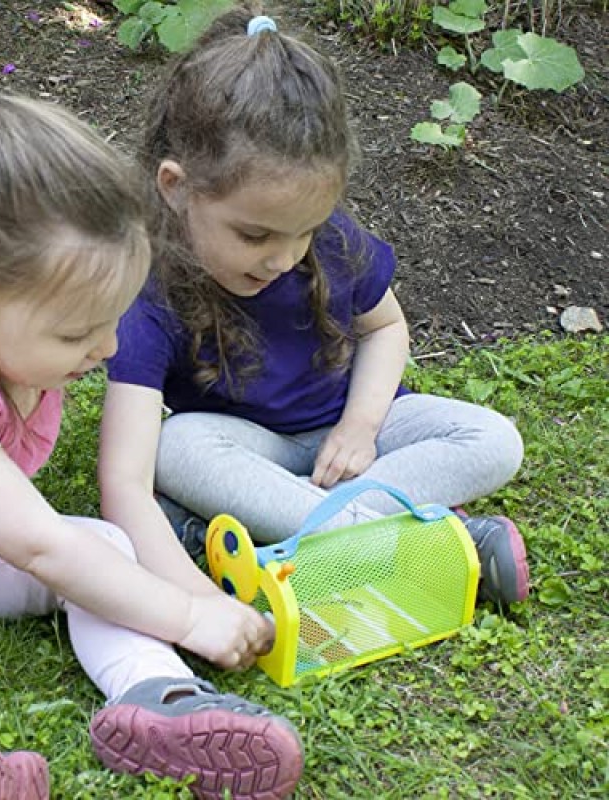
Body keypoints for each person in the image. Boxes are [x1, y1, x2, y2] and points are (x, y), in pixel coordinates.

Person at [0, 91, 304, 800]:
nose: (104, 349)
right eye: (77, 334)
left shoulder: (21, 342)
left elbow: (54, 547)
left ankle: (161, 698)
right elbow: (42, 546)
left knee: (104, 544)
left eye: (111, 321)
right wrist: (188, 612)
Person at [98, 4, 530, 609]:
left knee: (491, 439)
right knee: (179, 448)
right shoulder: (151, 296)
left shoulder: (329, 244)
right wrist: (196, 606)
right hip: (249, 447)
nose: (283, 257)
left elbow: (385, 329)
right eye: (255, 236)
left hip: (354, 435)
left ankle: (287, 530)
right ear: (176, 188)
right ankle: (425, 544)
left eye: (304, 231)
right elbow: (124, 479)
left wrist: (360, 426)